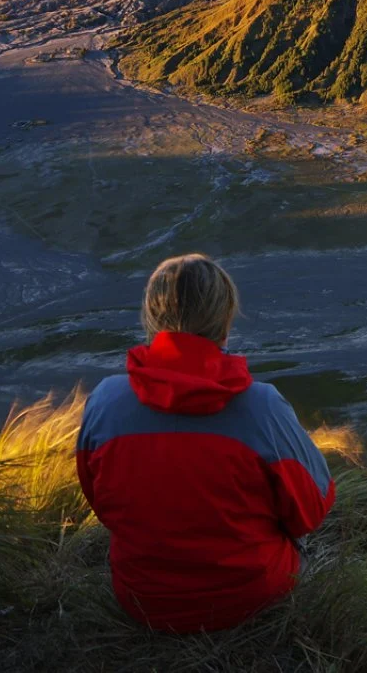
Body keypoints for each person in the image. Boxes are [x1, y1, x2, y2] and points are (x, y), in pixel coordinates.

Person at [76, 254, 335, 633]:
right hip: (252, 600)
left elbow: (101, 504)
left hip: (142, 601)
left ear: (150, 319)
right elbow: (311, 512)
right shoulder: (261, 407)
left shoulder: (104, 401)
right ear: (225, 322)